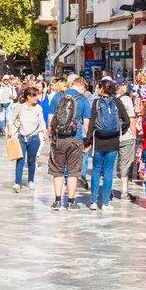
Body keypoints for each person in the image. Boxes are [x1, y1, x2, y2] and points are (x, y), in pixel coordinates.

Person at [85, 79, 131, 211]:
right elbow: (126, 120)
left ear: (101, 89)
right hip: (113, 141)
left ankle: (93, 201)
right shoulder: (117, 102)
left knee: (96, 170)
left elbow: (92, 122)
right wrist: (119, 131)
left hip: (98, 140)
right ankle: (105, 203)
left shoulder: (96, 102)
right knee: (108, 171)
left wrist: (88, 140)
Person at [48, 75, 91, 210]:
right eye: (84, 89)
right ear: (82, 86)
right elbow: (86, 124)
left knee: (57, 171)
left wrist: (51, 136)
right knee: (73, 172)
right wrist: (88, 141)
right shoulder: (83, 99)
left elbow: (50, 119)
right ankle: (71, 202)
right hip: (76, 139)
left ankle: (57, 201)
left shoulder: (57, 96)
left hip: (59, 138)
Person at [8, 86, 47, 192]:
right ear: (28, 97)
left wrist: (44, 131)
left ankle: (31, 180)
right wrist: (10, 130)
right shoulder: (20, 107)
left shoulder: (38, 108)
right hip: (21, 137)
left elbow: (42, 121)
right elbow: (11, 119)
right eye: (34, 95)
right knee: (20, 160)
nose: (36, 97)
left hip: (34, 138)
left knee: (31, 160)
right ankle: (17, 183)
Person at [116, 82, 137, 201]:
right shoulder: (127, 100)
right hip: (126, 136)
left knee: (111, 165)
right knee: (125, 164)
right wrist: (134, 136)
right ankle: (124, 192)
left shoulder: (110, 99)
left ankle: (108, 193)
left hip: (112, 136)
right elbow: (132, 120)